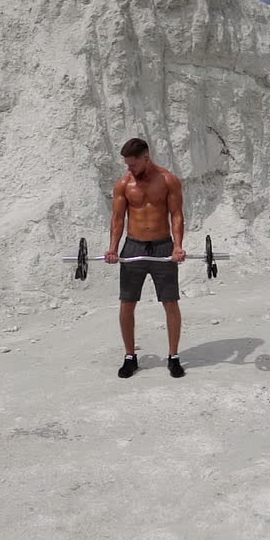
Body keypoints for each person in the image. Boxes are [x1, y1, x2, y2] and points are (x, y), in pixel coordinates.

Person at [105, 137, 187, 378]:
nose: (130, 169)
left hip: (163, 247)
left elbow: (176, 215)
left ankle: (173, 357)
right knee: (127, 303)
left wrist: (178, 247)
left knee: (170, 302)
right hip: (134, 247)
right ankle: (130, 356)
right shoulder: (124, 184)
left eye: (133, 164)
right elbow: (117, 220)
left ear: (146, 158)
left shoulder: (168, 180)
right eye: (127, 165)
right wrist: (113, 249)